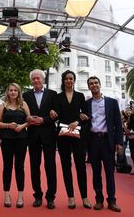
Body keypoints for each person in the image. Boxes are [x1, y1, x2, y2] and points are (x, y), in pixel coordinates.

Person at [50, 70, 90, 209]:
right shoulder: (58, 96)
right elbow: (55, 113)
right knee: (66, 166)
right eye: (66, 78)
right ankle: (71, 197)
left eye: (71, 78)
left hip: (78, 135)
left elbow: (85, 115)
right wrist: (52, 112)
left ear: (74, 80)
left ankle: (84, 197)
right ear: (63, 80)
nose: (69, 80)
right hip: (62, 135)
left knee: (80, 166)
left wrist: (77, 121)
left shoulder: (80, 96)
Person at [82, 76, 123, 212]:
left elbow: (118, 123)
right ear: (89, 87)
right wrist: (82, 118)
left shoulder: (112, 102)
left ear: (100, 85)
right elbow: (84, 122)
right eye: (91, 84)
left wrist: (119, 142)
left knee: (110, 172)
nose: (94, 85)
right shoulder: (86, 104)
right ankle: (98, 199)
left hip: (107, 141)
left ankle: (112, 200)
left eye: (96, 83)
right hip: (93, 141)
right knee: (96, 172)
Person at [22, 69, 57, 209]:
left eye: (39, 78)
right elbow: (22, 113)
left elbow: (56, 114)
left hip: (48, 134)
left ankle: (50, 197)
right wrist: (27, 118)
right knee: (34, 167)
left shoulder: (52, 94)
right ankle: (37, 195)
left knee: (50, 167)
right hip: (32, 136)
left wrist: (44, 120)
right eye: (34, 78)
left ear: (43, 80)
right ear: (31, 81)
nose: (36, 80)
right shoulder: (25, 95)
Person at [0, 83, 30, 208]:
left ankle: (20, 196)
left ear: (18, 92)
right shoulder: (2, 106)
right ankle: (6, 195)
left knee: (20, 167)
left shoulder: (23, 105)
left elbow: (29, 120)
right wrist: (8, 125)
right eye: (11, 90)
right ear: (8, 92)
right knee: (7, 167)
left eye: (15, 90)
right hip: (7, 139)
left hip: (21, 139)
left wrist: (22, 126)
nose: (13, 92)